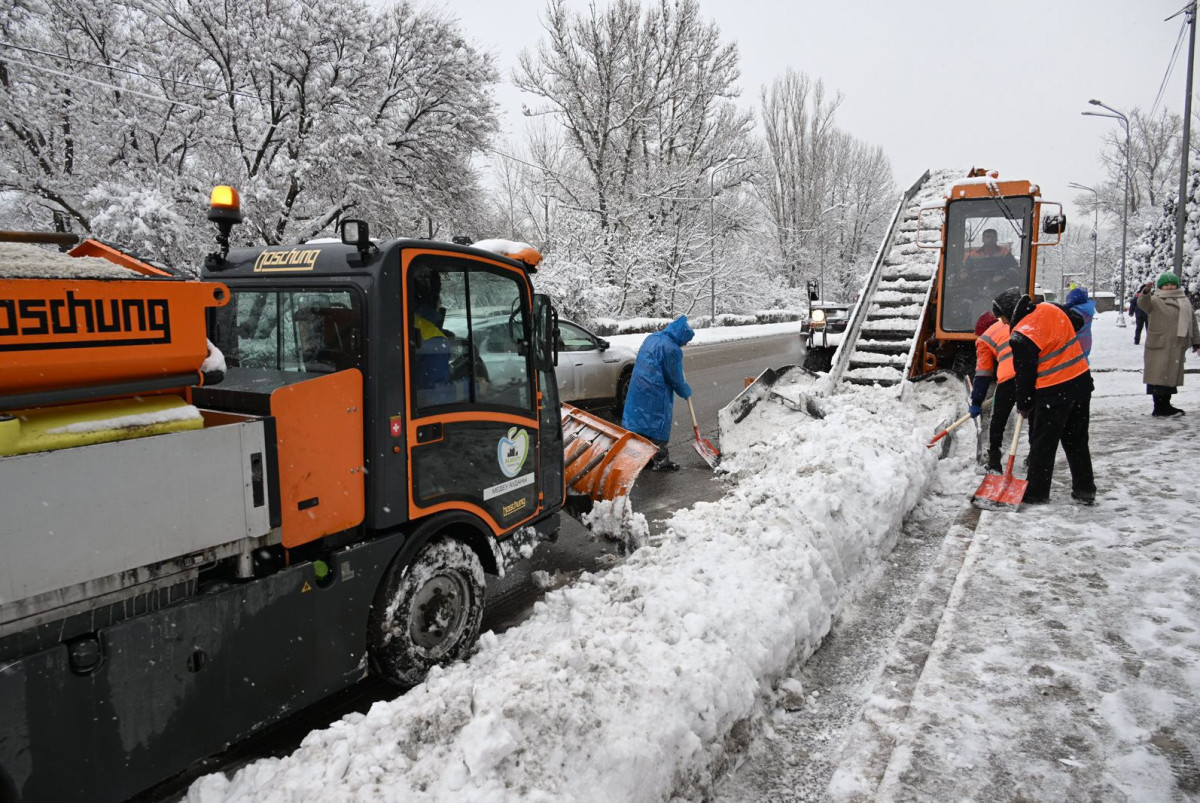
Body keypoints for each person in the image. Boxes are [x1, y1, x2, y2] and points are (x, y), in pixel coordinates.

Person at [995, 287, 1096, 506]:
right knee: (1077, 441)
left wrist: (1023, 403)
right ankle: (1085, 489)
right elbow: (1077, 322)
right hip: (1081, 385)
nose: (1003, 323)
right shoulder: (1050, 309)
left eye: (1002, 317)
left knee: (1043, 445)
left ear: (1010, 311)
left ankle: (1036, 493)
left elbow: (1024, 375)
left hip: (1054, 393)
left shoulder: (1021, 335)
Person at [621, 315, 695, 471]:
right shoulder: (672, 349)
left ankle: (641, 457)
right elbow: (675, 377)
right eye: (686, 341)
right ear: (681, 336)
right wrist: (685, 391)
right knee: (657, 422)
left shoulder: (653, 337)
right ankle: (660, 460)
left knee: (640, 420)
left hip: (638, 386)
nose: (685, 344)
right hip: (655, 390)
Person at [1136, 272, 1200, 417]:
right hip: (1159, 345)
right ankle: (1160, 407)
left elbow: (1192, 323)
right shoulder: (1155, 299)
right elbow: (1143, 304)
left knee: (1170, 377)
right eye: (1166, 285)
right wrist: (1146, 292)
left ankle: (1166, 405)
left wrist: (1196, 341)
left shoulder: (1184, 301)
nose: (1169, 287)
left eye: (1172, 284)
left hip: (1177, 344)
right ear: (1161, 287)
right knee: (1159, 377)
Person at [968, 309, 1014, 474]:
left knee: (997, 422)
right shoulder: (1011, 323)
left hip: (1009, 377)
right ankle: (1033, 461)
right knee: (1034, 419)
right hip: (1032, 374)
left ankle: (994, 464)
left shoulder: (984, 339)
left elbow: (983, 375)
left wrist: (976, 402)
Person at [1063, 286, 1096, 361]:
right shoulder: (1086, 309)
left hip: (1077, 343)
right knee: (1083, 362)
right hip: (1085, 342)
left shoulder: (1076, 311)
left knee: (1077, 364)